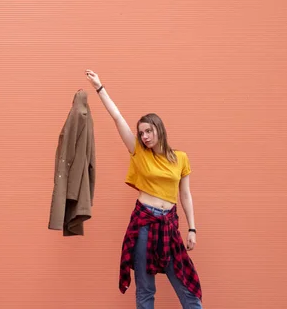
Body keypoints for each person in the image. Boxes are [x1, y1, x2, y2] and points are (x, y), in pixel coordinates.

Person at [85, 69, 203, 309]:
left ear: (160, 129)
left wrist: (192, 228)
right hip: (144, 224)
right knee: (146, 289)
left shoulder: (181, 158)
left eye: (149, 131)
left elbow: (185, 195)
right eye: (141, 133)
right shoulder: (138, 152)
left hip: (169, 225)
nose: (145, 136)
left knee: (186, 286)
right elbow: (117, 117)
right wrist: (100, 87)